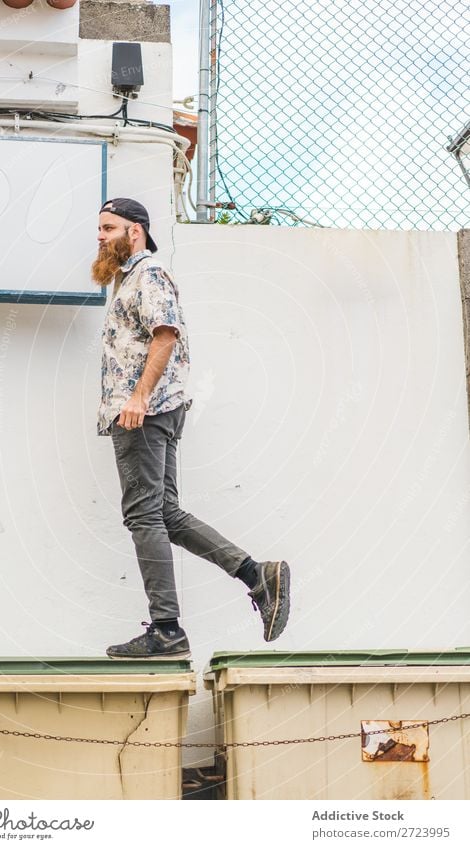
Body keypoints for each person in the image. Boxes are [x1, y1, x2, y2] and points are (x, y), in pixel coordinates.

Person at [92, 197, 291, 658]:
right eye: (99, 229)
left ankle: (166, 629)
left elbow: (166, 333)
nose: (100, 236)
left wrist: (138, 397)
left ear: (134, 231)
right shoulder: (128, 279)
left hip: (142, 413)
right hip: (149, 412)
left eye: (108, 228)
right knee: (166, 515)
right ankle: (256, 574)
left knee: (143, 515)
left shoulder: (149, 275)